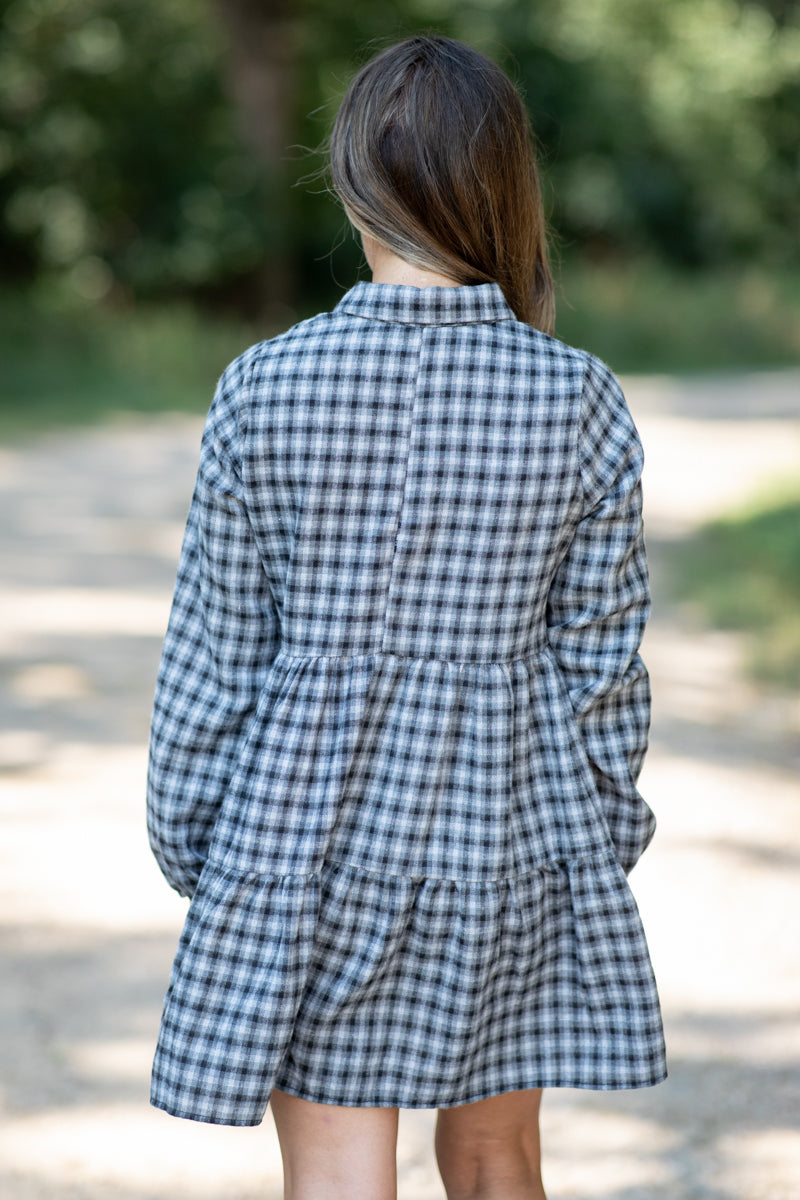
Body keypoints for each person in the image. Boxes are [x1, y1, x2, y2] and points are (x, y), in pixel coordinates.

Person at [146, 33, 667, 1200]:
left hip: (300, 844)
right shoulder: (578, 398)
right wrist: (591, 846)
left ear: (349, 184)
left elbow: (213, 662)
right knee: (493, 1159)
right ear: (504, 188)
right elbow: (601, 674)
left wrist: (204, 848)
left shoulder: (262, 385)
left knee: (336, 1171)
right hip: (508, 839)